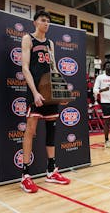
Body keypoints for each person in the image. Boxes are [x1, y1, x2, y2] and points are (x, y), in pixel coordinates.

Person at [21, 11, 70, 193]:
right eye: (43, 20)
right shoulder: (28, 39)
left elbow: (54, 68)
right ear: (35, 22)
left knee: (52, 128)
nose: (46, 23)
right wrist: (34, 93)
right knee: (31, 130)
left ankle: (51, 171)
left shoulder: (50, 43)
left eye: (48, 21)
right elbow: (25, 67)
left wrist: (61, 93)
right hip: (36, 91)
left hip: (49, 91)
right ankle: (25, 175)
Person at [93, 60, 110, 149]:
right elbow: (95, 90)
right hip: (105, 103)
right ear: (104, 67)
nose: (109, 66)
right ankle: (106, 140)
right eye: (107, 65)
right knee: (106, 122)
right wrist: (103, 90)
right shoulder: (100, 77)